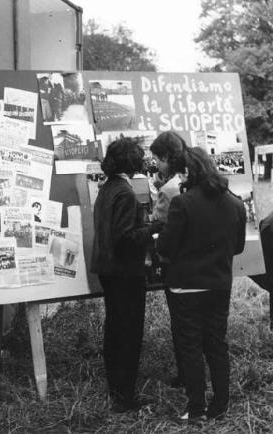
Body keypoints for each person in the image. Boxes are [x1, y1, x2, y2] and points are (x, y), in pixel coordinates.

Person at [156, 147, 246, 423]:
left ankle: (196, 409)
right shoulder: (236, 202)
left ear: (186, 172)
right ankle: (220, 405)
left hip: (186, 286)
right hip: (219, 284)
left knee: (191, 347)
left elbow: (166, 247)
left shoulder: (183, 204)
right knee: (217, 344)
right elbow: (239, 247)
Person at [90, 137, 163, 412]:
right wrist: (152, 229)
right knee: (129, 332)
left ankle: (117, 391)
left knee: (116, 328)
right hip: (124, 271)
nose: (143, 160)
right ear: (131, 161)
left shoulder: (108, 188)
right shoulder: (124, 192)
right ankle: (125, 397)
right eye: (139, 156)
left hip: (109, 268)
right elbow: (125, 238)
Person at [148, 131, 188, 389]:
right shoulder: (191, 179)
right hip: (201, 262)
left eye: (157, 159)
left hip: (177, 263)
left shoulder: (169, 189)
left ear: (166, 158)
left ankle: (185, 373)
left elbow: (158, 220)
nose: (156, 165)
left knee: (181, 322)